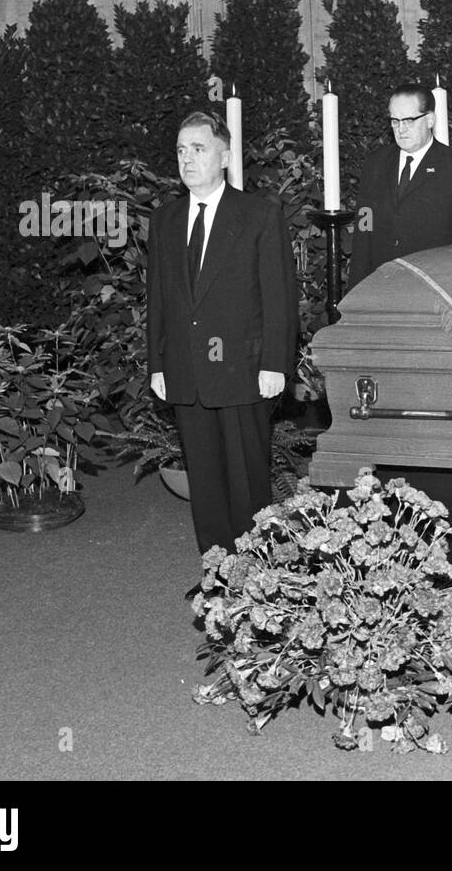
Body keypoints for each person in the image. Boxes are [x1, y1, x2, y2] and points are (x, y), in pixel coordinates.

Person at [146, 110, 297, 565]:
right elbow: (159, 299)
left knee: (247, 478)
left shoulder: (258, 215)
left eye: (198, 149)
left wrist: (275, 363)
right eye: (180, 150)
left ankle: (260, 576)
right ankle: (218, 571)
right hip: (185, 372)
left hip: (243, 371)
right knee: (206, 481)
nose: (187, 159)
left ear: (225, 156)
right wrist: (156, 363)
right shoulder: (165, 220)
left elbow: (279, 296)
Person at [346, 82, 452, 289]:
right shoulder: (375, 163)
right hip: (381, 286)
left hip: (436, 288)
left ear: (430, 119)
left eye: (409, 120)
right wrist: (357, 289)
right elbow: (364, 227)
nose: (401, 129)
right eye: (394, 121)